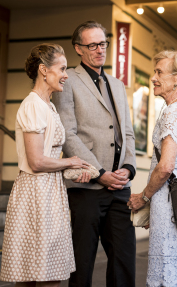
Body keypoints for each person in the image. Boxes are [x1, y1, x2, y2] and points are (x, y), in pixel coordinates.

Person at [52, 21, 137, 287]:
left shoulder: (117, 84)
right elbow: (68, 133)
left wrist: (129, 168)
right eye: (92, 45)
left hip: (119, 189)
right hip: (86, 188)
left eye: (103, 44)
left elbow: (128, 133)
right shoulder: (68, 81)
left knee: (124, 262)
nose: (100, 50)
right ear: (78, 48)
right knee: (82, 264)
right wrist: (99, 173)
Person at [1, 44, 91, 286]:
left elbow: (48, 156)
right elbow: (37, 161)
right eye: (62, 68)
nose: (66, 74)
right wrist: (71, 161)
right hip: (36, 194)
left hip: (49, 191)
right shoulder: (33, 105)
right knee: (40, 276)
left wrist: (72, 170)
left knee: (45, 274)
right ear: (43, 70)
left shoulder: (48, 105)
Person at [127, 50, 177, 287]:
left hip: (168, 202)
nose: (153, 77)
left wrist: (143, 197)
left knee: (166, 273)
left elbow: (166, 166)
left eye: (159, 72)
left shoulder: (173, 112)